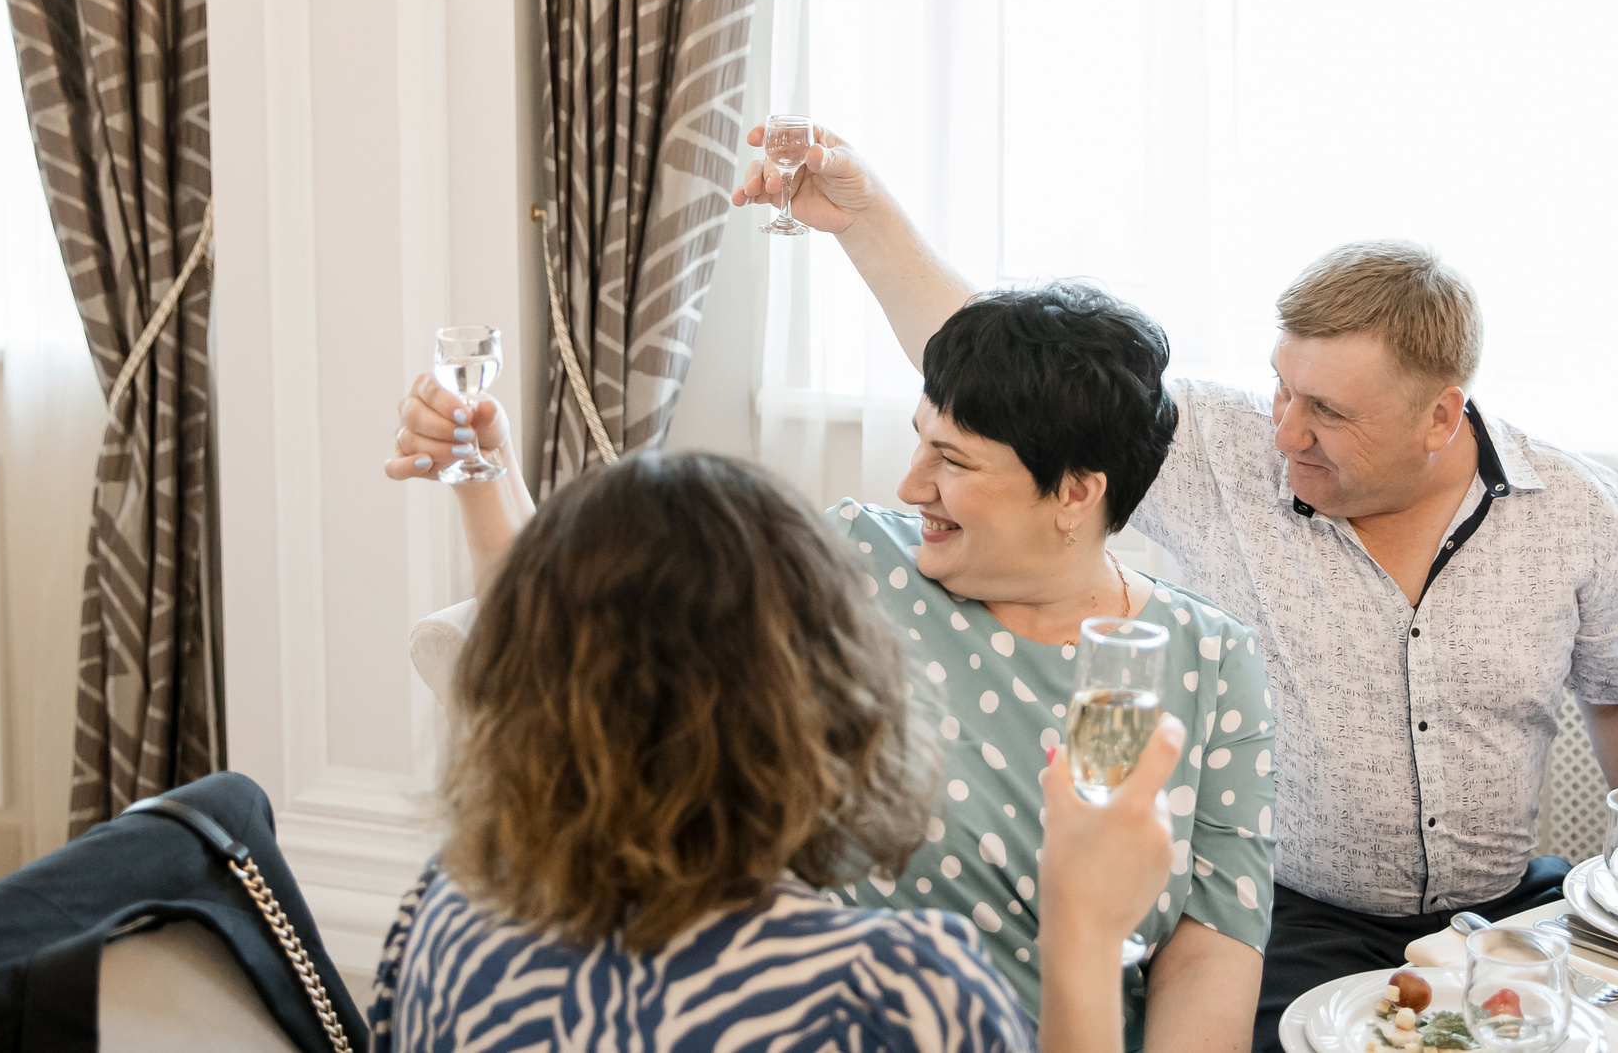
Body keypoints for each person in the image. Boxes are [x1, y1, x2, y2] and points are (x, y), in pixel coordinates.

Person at [723, 126, 1618, 1053]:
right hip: (1304, 915)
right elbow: (1010, 384)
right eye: (1282, 387)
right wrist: (861, 214)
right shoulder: (1219, 455)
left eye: (1326, 411)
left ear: (1440, 415)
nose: (1285, 430)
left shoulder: (1574, 511)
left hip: (1507, 907)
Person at [388, 284, 1274, 1053]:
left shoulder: (1214, 657)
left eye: (953, 459)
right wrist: (485, 471)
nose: (910, 483)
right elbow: (599, 653)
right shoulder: (848, 559)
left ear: (1078, 490)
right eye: (920, 438)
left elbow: (1211, 949)